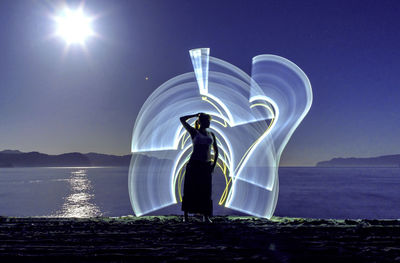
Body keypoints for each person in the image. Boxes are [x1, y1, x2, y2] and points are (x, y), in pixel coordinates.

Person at [180, 112, 218, 223]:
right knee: (190, 189)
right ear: (201, 122)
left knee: (206, 191)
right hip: (194, 164)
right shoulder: (194, 132)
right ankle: (186, 216)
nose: (209, 123)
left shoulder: (211, 134)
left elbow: (216, 151)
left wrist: (213, 165)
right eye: (207, 121)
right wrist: (195, 115)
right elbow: (182, 119)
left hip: (206, 165)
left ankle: (206, 216)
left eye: (209, 121)